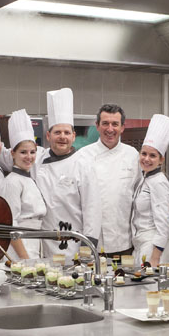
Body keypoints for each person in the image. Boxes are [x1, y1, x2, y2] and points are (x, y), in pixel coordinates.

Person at [36, 88, 101, 258]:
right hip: (42, 242)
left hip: (74, 245)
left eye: (66, 133)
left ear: (73, 136)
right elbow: (8, 154)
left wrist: (89, 248)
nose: (62, 137)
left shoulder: (83, 165)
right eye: (57, 132)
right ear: (48, 135)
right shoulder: (36, 158)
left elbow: (92, 209)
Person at [77, 104, 140, 257]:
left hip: (125, 242)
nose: (110, 129)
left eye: (115, 124)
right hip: (93, 242)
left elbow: (138, 198)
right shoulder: (83, 156)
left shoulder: (133, 155)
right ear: (97, 126)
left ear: (122, 127)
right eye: (105, 123)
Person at [0, 109, 47, 260]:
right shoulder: (11, 182)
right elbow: (10, 227)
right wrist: (25, 260)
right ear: (12, 153)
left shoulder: (29, 179)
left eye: (32, 152)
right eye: (23, 152)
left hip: (33, 243)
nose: (29, 157)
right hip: (19, 252)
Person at [131, 114, 169, 267]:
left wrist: (155, 257)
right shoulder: (145, 178)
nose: (146, 159)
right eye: (144, 153)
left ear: (161, 159)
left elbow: (163, 223)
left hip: (153, 246)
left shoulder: (159, 182)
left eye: (152, 155)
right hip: (141, 243)